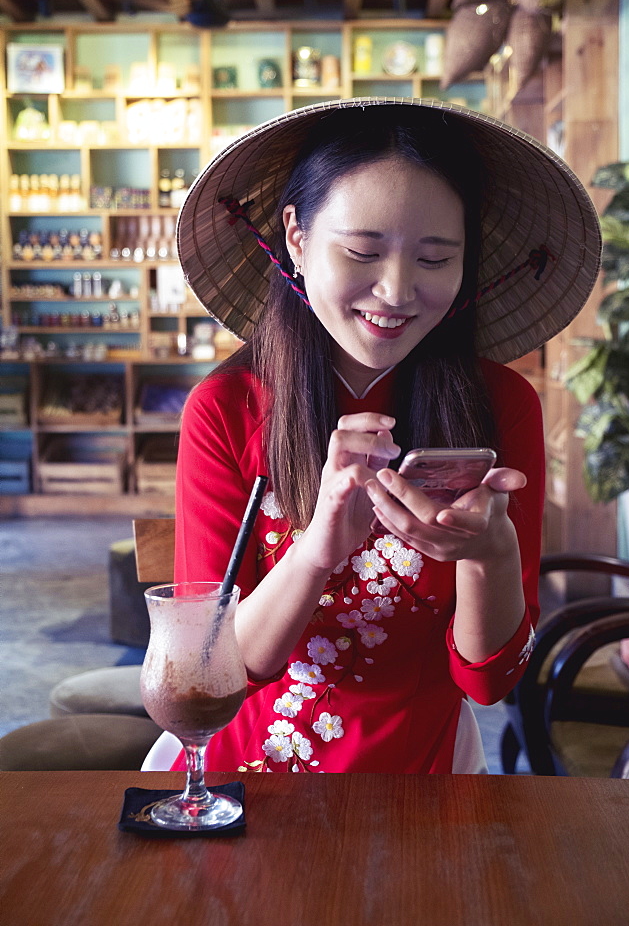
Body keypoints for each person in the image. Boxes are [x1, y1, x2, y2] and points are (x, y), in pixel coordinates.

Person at [144, 98, 601, 775]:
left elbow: (488, 682)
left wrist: (492, 554)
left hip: (423, 784)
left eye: (436, 258)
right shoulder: (227, 410)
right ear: (295, 238)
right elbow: (213, 669)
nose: (395, 291)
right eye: (362, 251)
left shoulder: (501, 406)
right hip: (246, 786)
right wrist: (315, 552)